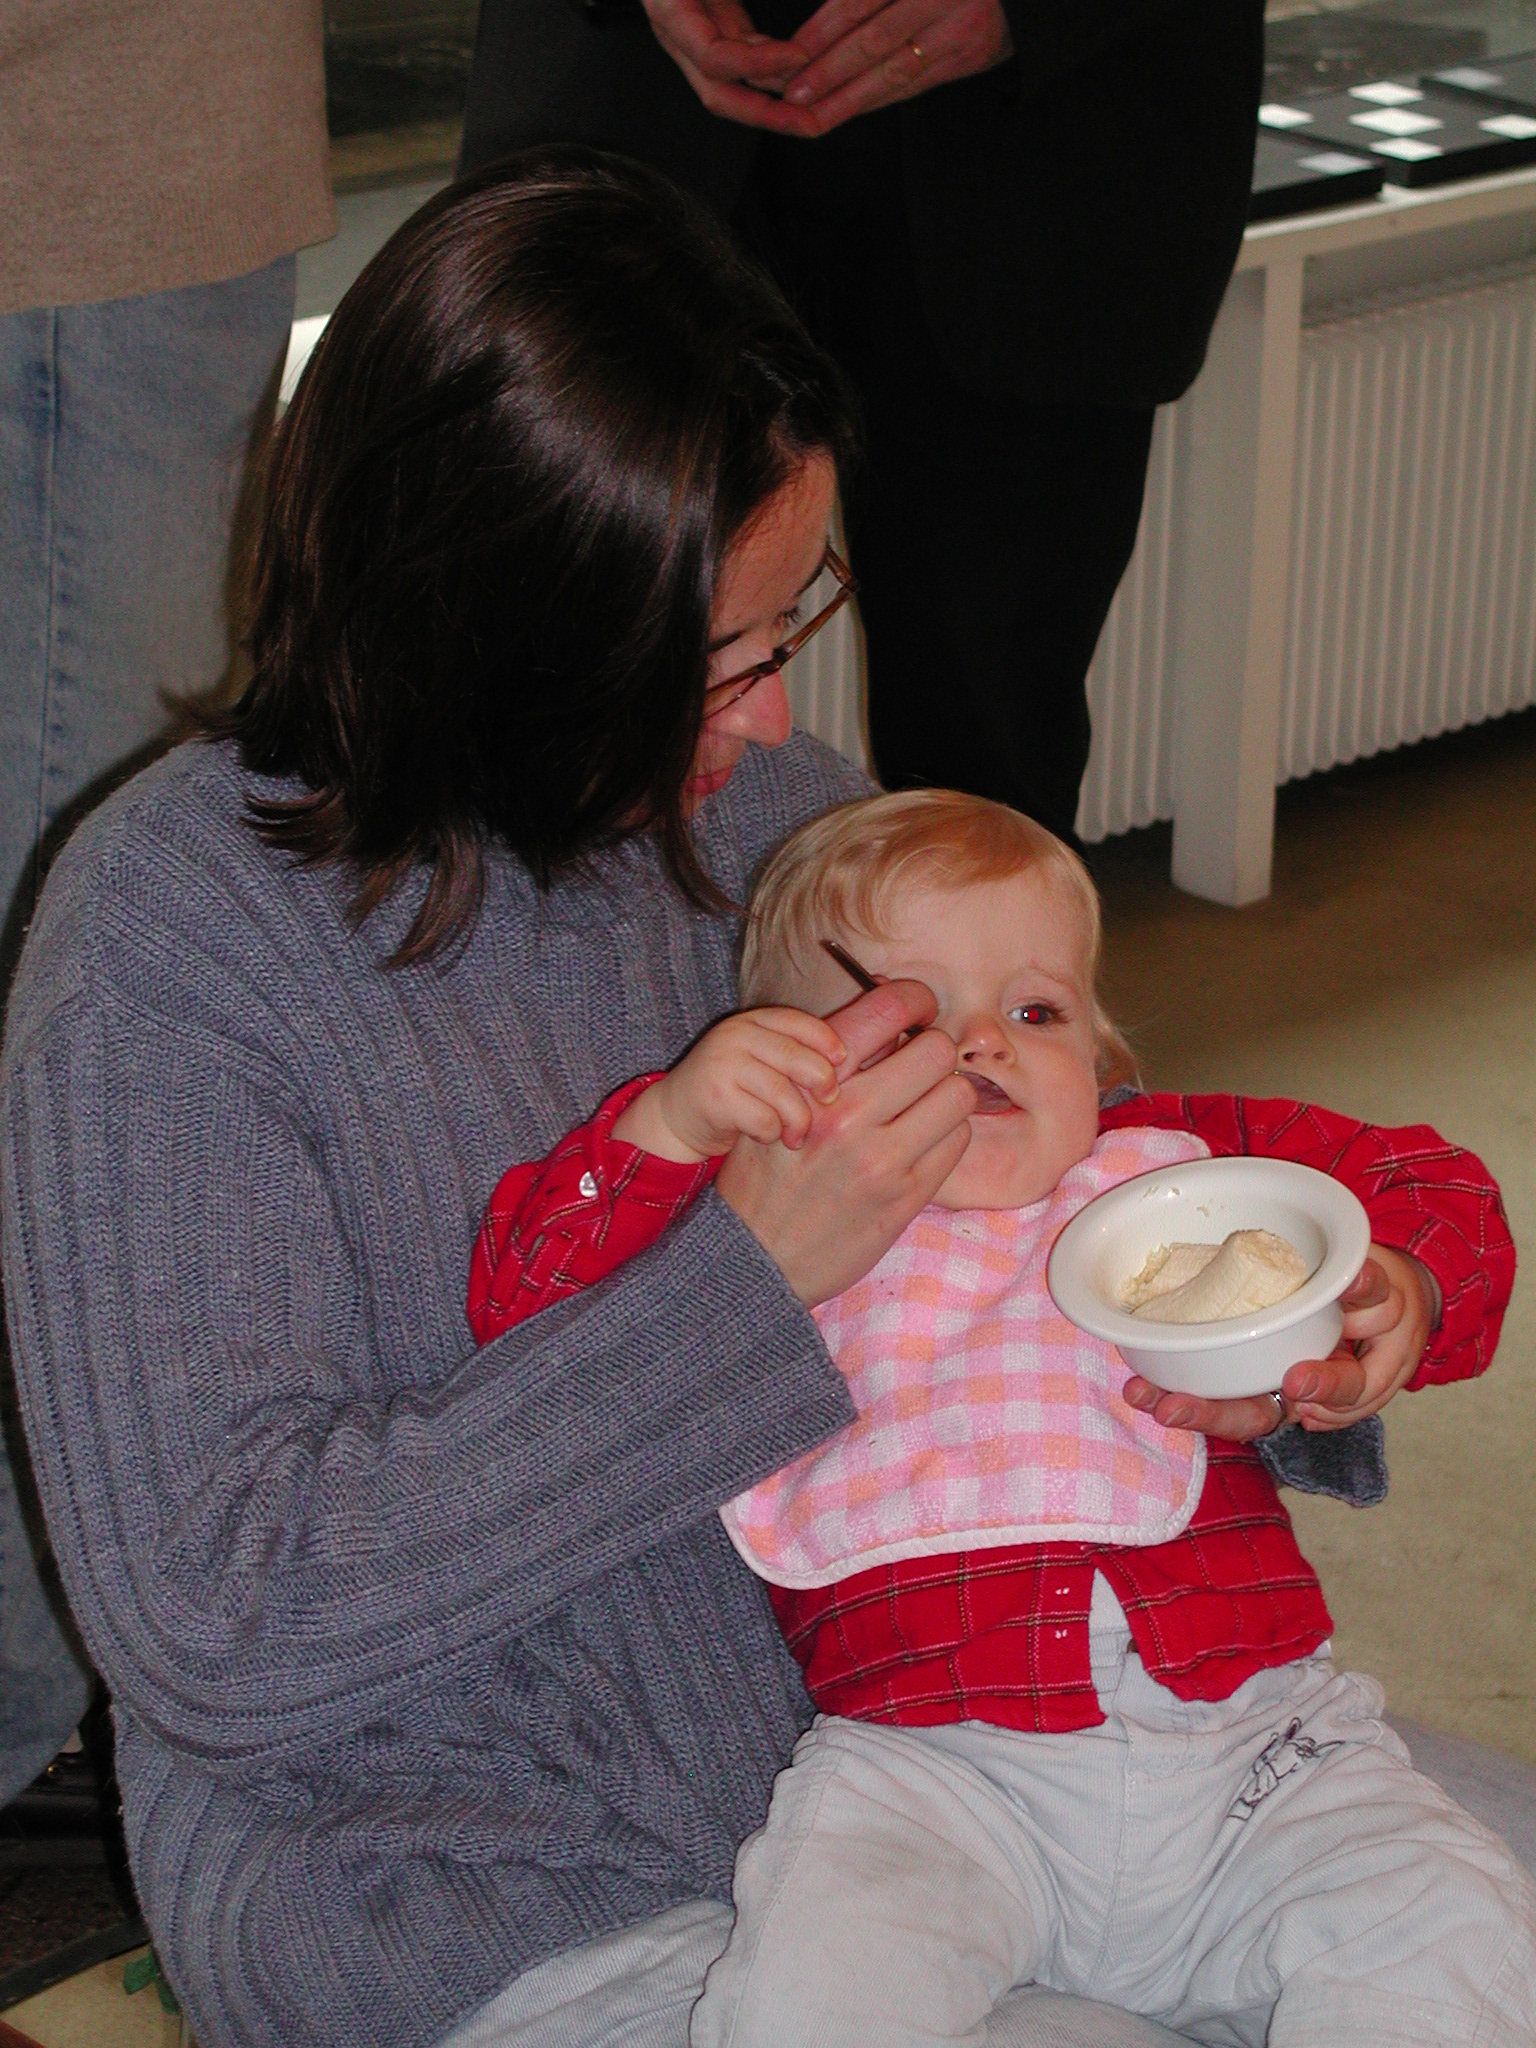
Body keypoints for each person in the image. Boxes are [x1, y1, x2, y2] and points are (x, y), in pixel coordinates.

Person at [466, 787, 1533, 2046]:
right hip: (935, 1783)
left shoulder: (1170, 1160)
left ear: (1103, 1053)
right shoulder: (754, 1222)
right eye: (911, 1019)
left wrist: (1405, 1281)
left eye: (1036, 1012)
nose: (980, 1046)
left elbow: (1428, 1181)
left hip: (1260, 1752)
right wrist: (669, 1124)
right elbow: (529, 1311)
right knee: (813, 1988)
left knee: (1452, 1923)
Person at [456, 0, 1265, 841]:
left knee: (982, 762)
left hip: (1039, 159)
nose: (766, 717)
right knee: (528, 702)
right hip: (626, 90)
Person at [0, 0, 333, 1812]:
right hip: (89, 197)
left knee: (76, 999)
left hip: (90, 185)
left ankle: (43, 1685)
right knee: (76, 998)